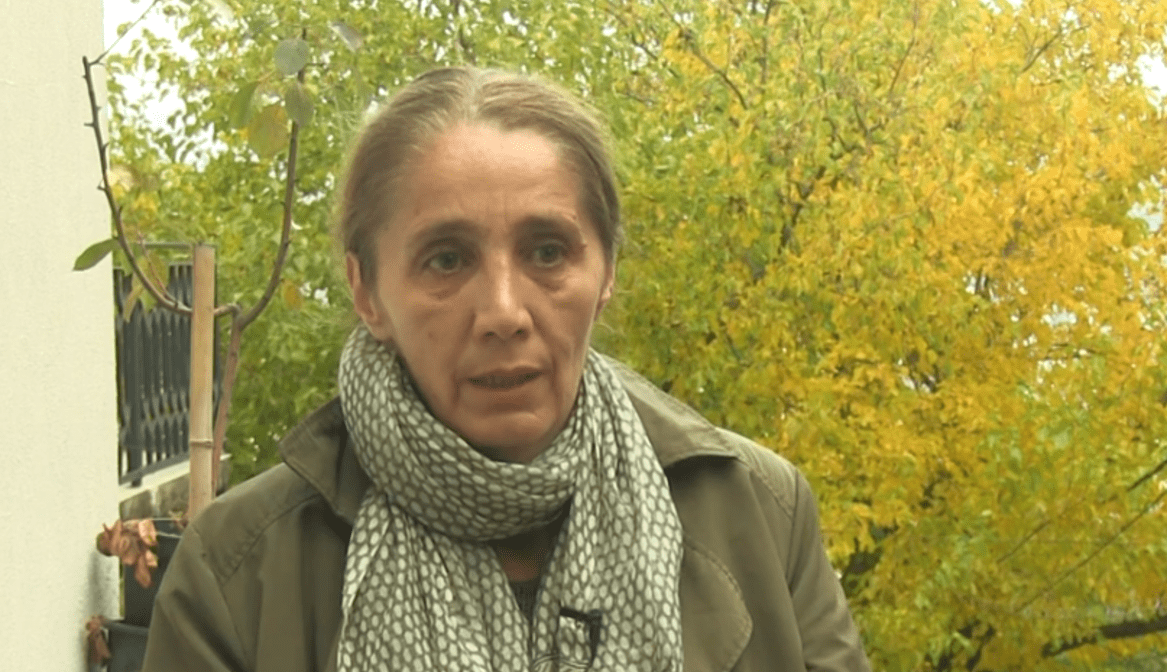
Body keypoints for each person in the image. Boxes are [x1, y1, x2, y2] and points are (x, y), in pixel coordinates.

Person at [142, 66, 872, 672]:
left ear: (607, 270)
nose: (503, 312)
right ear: (368, 292)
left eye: (547, 252)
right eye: (447, 259)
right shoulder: (237, 573)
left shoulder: (761, 514)